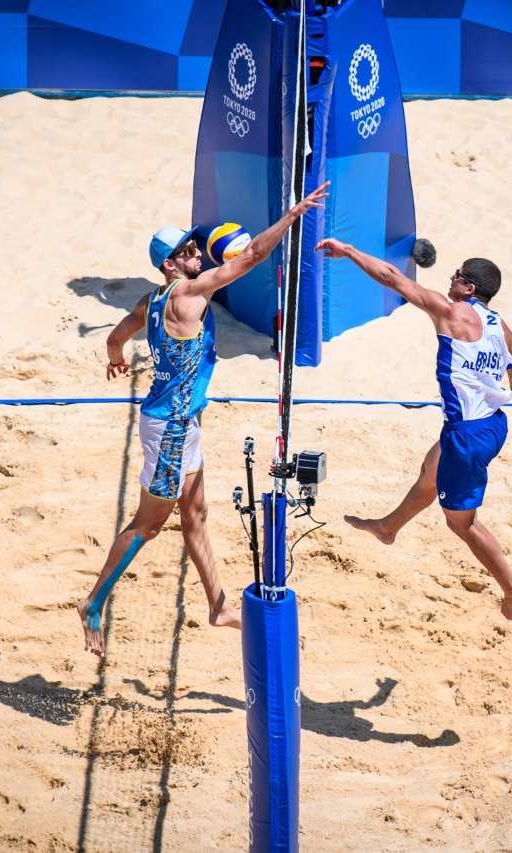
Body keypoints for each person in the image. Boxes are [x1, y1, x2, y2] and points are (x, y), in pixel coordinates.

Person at [77, 182, 331, 657]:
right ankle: (93, 603)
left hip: (179, 422)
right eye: (188, 251)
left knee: (196, 514)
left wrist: (115, 357)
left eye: (195, 249)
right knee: (148, 525)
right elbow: (252, 255)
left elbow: (116, 338)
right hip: (171, 426)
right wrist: (292, 215)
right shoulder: (187, 294)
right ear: (171, 265)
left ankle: (218, 607)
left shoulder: (149, 300)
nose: (197, 255)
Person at [315, 238, 512, 620]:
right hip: (494, 425)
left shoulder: (451, 312)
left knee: (460, 522)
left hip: (467, 436)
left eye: (459, 274)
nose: (452, 276)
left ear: (469, 288)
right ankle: (388, 527)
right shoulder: (501, 326)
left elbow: (393, 279)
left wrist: (350, 252)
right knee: (429, 473)